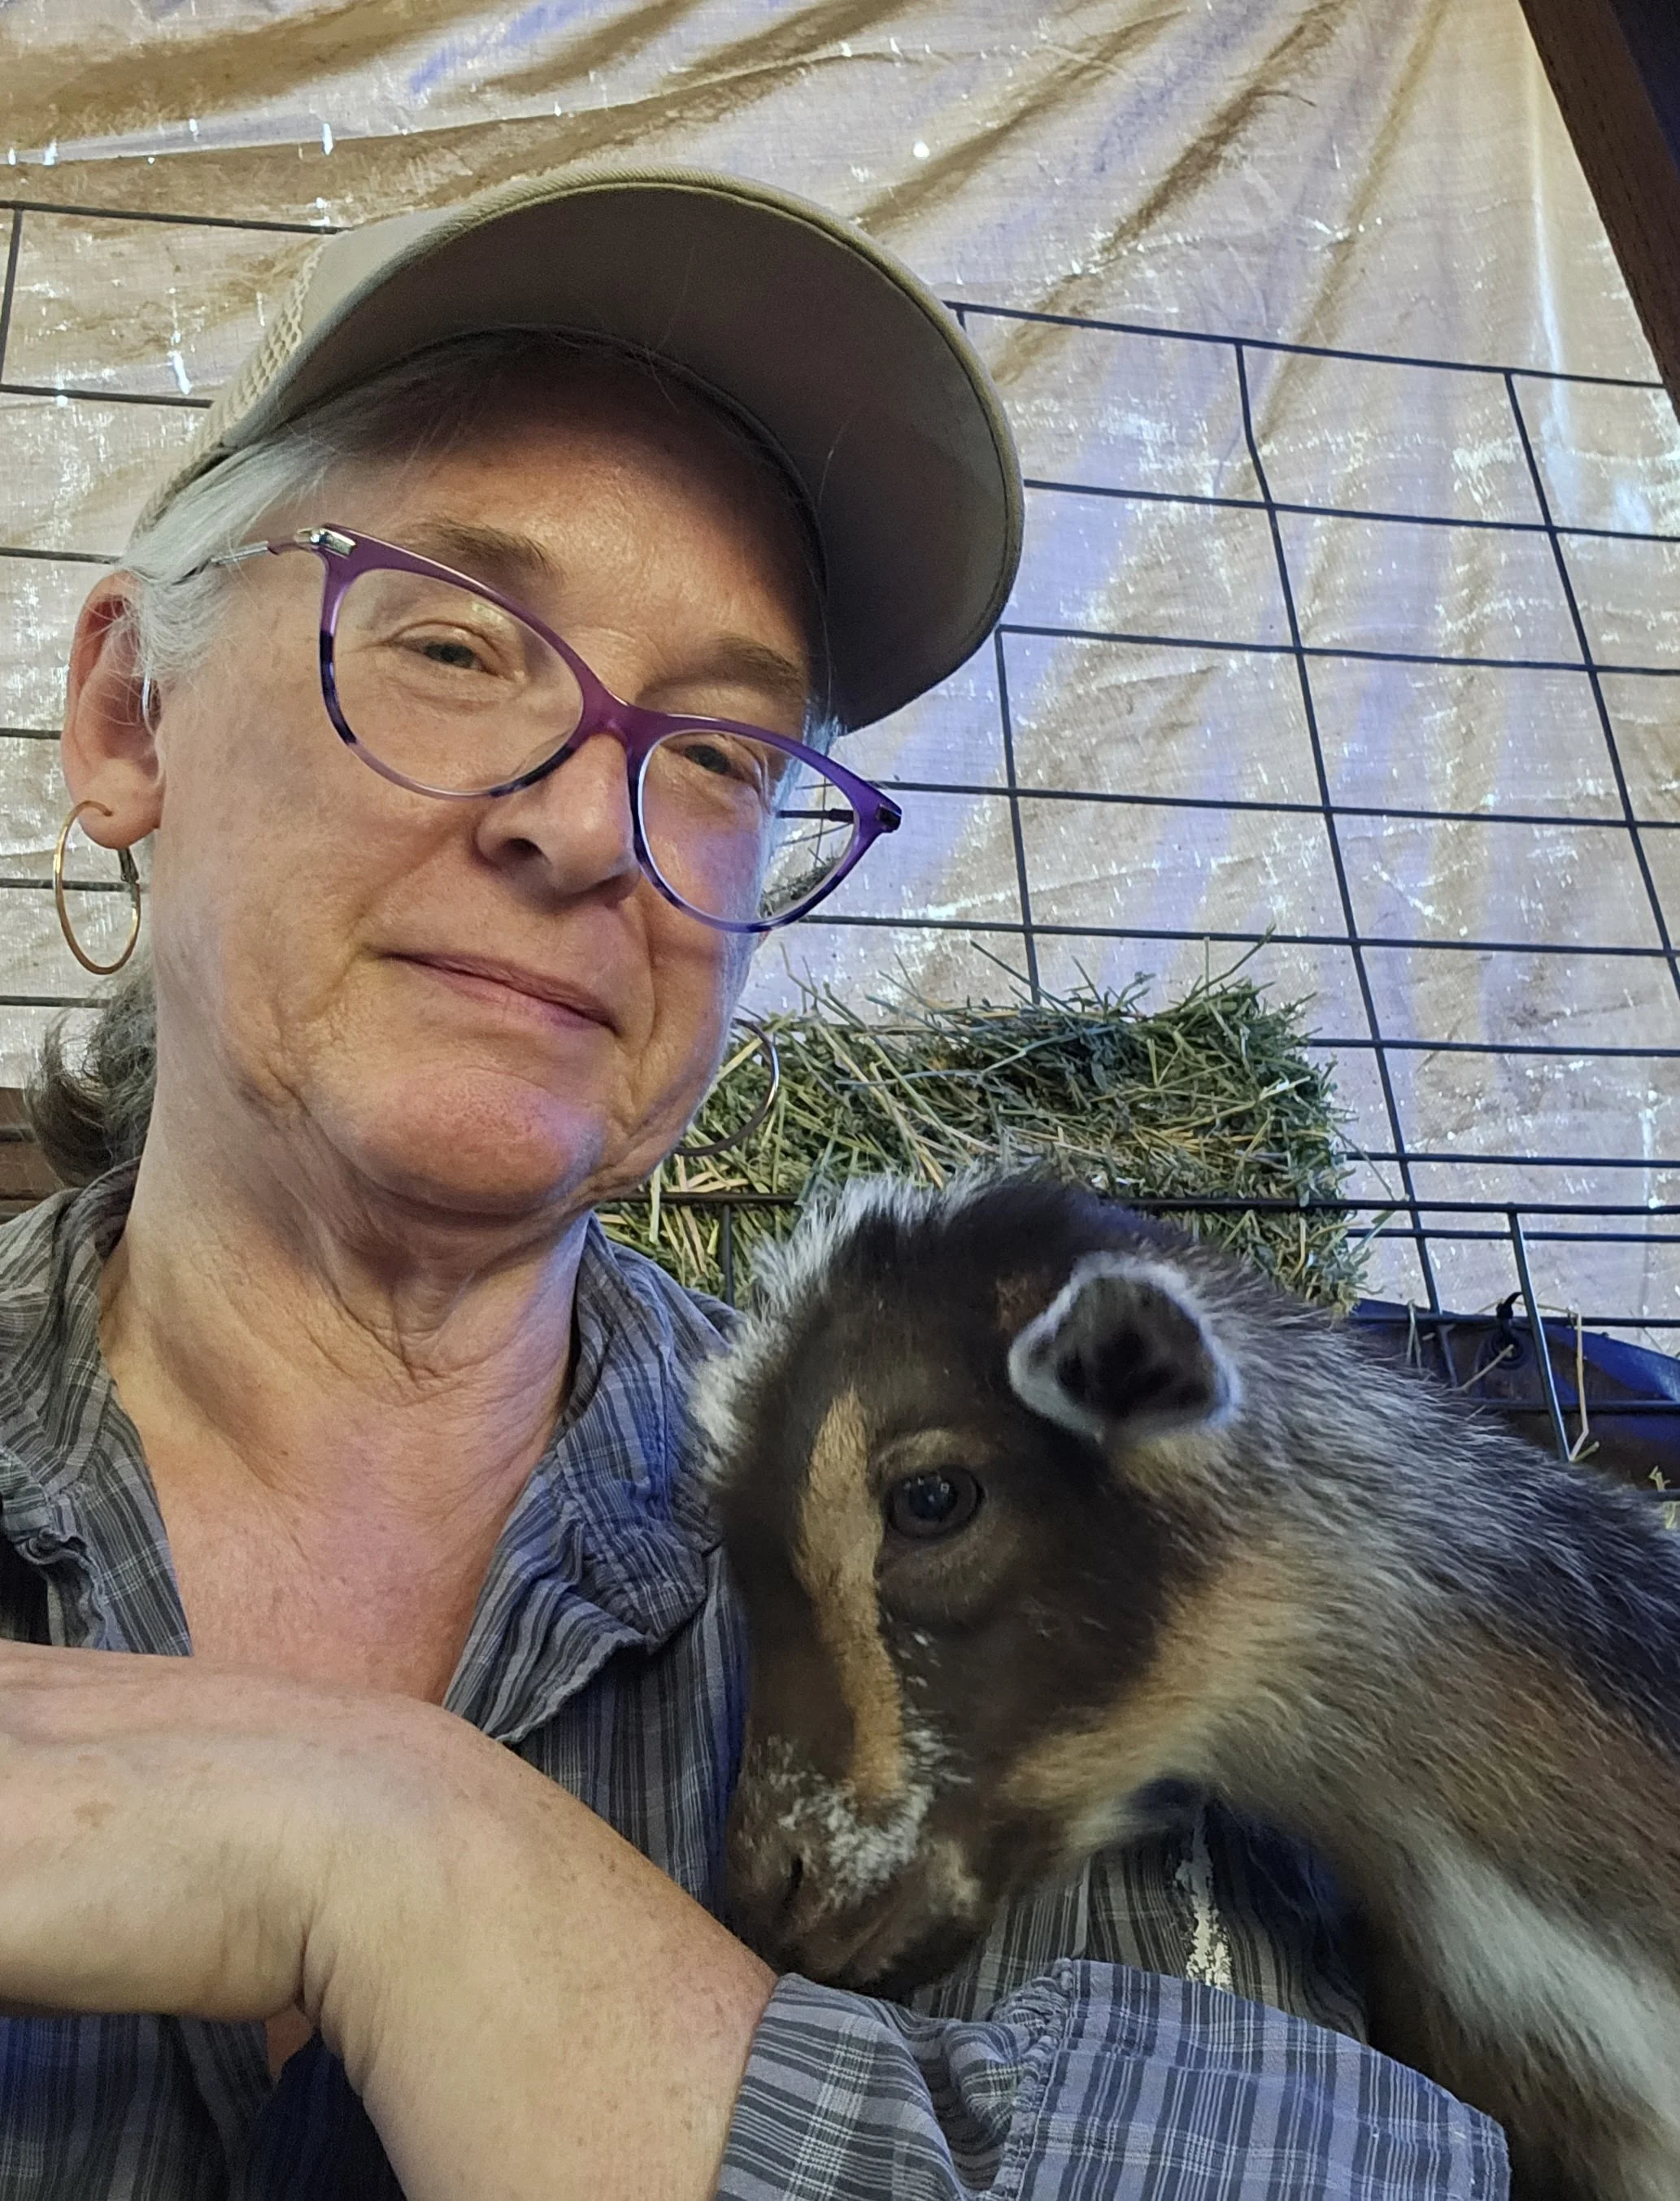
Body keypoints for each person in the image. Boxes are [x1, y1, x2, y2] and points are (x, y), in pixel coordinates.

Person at [0, 167, 1507, 2199]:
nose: (587, 829)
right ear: (126, 717)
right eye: (452, 644)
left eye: (714, 754)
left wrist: (419, 1864)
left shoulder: (957, 1538)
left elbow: (1366, 2156)